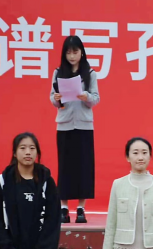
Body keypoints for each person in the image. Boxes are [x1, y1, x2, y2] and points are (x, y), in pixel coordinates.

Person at [50, 35, 100, 224]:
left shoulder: (90, 73)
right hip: (64, 125)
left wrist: (85, 96)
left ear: (82, 53)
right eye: (68, 52)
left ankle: (81, 208)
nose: (72, 56)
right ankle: (63, 207)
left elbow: (96, 98)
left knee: (84, 166)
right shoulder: (58, 72)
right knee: (65, 166)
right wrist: (56, 98)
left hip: (84, 126)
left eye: (75, 52)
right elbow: (52, 99)